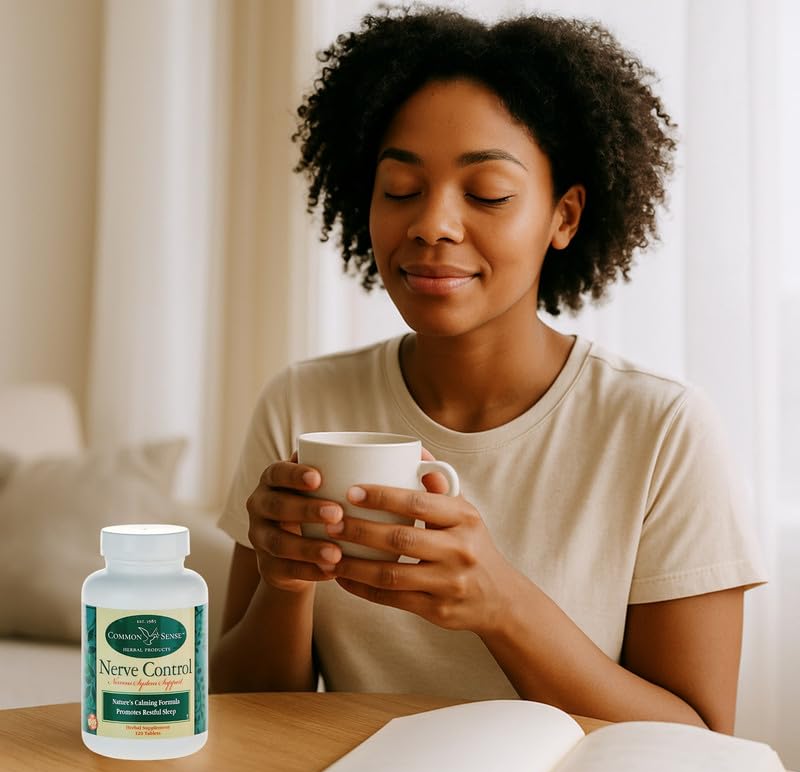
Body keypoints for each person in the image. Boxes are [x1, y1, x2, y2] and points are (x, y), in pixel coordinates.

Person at [210, 6, 765, 734]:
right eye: (400, 189)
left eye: (488, 194)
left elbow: (701, 742)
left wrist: (502, 605)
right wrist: (284, 585)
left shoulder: (662, 430)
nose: (432, 224)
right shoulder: (304, 403)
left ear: (565, 217)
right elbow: (241, 718)